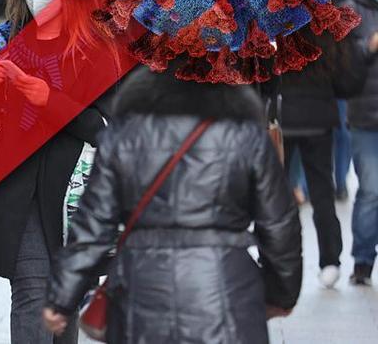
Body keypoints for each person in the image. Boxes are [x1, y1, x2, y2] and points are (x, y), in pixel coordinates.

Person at [44, 66, 303, 343]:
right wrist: (282, 292)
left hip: (140, 292)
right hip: (226, 290)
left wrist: (63, 296)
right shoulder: (246, 134)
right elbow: (279, 224)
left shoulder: (125, 133)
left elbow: (94, 223)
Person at [0, 0, 117, 344]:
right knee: (32, 292)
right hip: (18, 188)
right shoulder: (1, 41)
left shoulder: (92, 46)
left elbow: (106, 129)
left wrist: (46, 100)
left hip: (74, 192)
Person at [278, 1, 365, 289]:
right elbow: (347, 82)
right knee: (323, 193)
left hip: (283, 117)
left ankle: (283, 257)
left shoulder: (277, 18)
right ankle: (330, 261)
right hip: (319, 118)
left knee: (277, 195)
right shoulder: (328, 23)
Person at [340, 0, 378, 285]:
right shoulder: (353, 11)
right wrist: (370, 45)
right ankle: (363, 261)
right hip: (365, 117)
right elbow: (343, 61)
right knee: (371, 189)